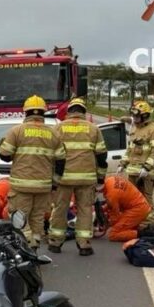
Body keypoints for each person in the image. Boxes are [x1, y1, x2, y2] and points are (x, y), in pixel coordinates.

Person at [0, 95, 65, 250]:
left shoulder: (17, 131)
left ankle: (27, 245)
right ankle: (34, 246)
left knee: (19, 217)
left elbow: (5, 156)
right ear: (43, 113)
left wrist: (0, 145)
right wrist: (54, 182)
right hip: (44, 186)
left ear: (25, 112)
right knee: (37, 218)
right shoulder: (54, 133)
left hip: (21, 186)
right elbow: (61, 160)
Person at [47, 97, 107, 256]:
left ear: (69, 112)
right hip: (86, 178)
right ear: (83, 112)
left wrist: (52, 178)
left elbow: (52, 154)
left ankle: (55, 242)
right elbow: (102, 156)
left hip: (63, 178)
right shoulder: (94, 129)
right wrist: (101, 178)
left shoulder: (58, 128)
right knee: (85, 210)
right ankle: (84, 244)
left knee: (60, 208)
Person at [119, 100, 154, 223]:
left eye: (137, 116)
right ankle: (136, 219)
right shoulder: (134, 128)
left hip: (146, 172)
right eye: (133, 116)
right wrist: (122, 163)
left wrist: (147, 167)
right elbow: (130, 149)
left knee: (146, 197)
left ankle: (149, 222)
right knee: (133, 198)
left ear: (145, 115)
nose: (134, 118)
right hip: (133, 170)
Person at [99, 175, 152, 244]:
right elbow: (115, 200)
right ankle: (140, 232)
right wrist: (104, 208)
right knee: (126, 228)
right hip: (140, 205)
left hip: (137, 209)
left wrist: (106, 224)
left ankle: (145, 234)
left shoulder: (112, 196)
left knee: (113, 234)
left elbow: (115, 217)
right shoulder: (110, 179)